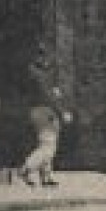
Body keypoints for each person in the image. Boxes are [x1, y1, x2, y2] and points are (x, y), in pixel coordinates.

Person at [20, 49, 67, 186]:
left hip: (40, 111)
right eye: (44, 56)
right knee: (48, 146)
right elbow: (49, 97)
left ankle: (46, 177)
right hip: (45, 112)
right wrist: (62, 111)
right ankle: (27, 168)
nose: (48, 59)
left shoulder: (39, 74)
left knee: (47, 143)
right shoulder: (39, 75)